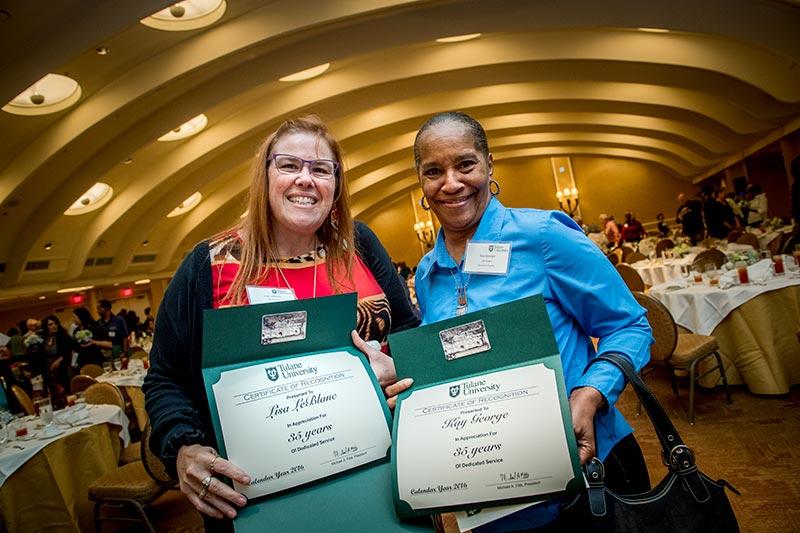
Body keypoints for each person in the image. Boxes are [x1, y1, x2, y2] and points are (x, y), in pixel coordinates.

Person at [143, 115, 418, 529]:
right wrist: (183, 448)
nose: (305, 179)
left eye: (321, 169)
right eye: (289, 165)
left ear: (336, 185)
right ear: (265, 175)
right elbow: (165, 377)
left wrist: (398, 364)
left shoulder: (359, 243)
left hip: (379, 472)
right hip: (257, 498)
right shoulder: (210, 263)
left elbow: (409, 331)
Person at [382, 111, 653, 530]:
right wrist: (400, 372)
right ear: (421, 182)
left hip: (586, 475)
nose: (451, 183)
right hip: (492, 496)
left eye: (465, 164)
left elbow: (631, 326)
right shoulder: (427, 272)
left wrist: (588, 394)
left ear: (490, 164)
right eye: (434, 171)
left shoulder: (543, 236)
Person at [40, 315, 72, 407]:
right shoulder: (44, 339)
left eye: (55, 323)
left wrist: (59, 360)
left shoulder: (63, 336)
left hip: (62, 369)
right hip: (49, 371)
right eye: (50, 324)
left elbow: (69, 350)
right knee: (54, 397)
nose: (54, 326)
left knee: (65, 393)